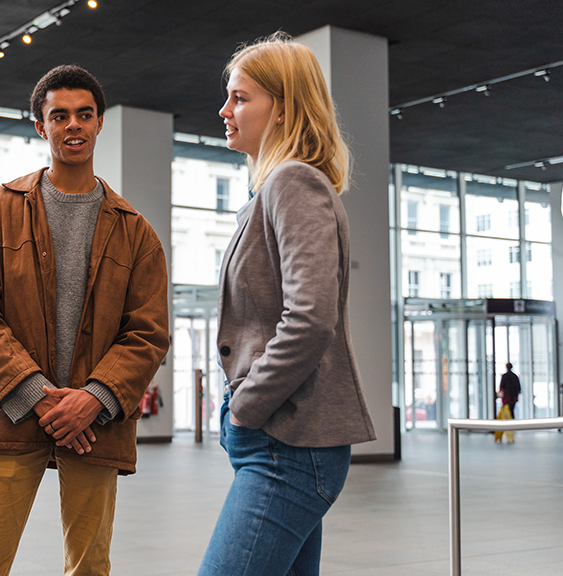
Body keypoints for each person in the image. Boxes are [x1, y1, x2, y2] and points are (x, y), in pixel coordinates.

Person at [0, 64, 169, 576]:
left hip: (94, 424)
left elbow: (148, 332)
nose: (73, 125)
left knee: (90, 565)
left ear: (98, 125)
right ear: (40, 126)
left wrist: (91, 401)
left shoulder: (136, 232)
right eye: (60, 115)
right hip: (14, 413)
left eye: (84, 114)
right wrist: (40, 398)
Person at [197, 33, 376, 576]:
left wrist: (247, 405)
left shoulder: (293, 182)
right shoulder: (272, 188)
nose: (225, 110)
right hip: (280, 439)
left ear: (283, 108)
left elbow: (310, 316)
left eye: (241, 97)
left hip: (286, 441)